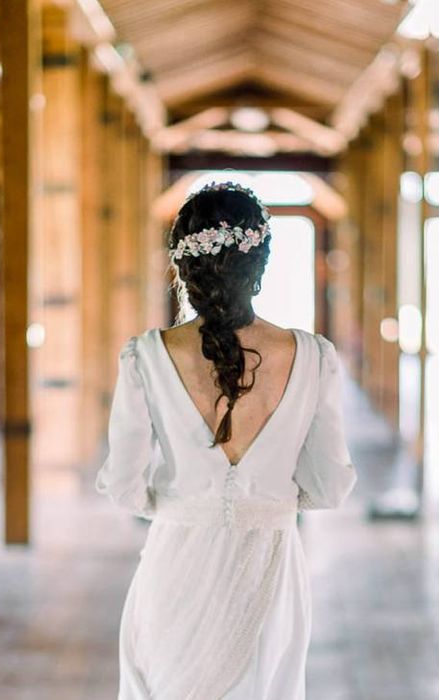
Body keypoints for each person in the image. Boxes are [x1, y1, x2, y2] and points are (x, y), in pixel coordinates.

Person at [96, 180, 358, 699]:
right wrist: (271, 500)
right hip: (271, 564)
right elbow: (329, 488)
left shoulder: (145, 356)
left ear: (183, 267)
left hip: (176, 563)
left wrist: (183, 504)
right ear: (258, 264)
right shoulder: (313, 356)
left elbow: (124, 487)